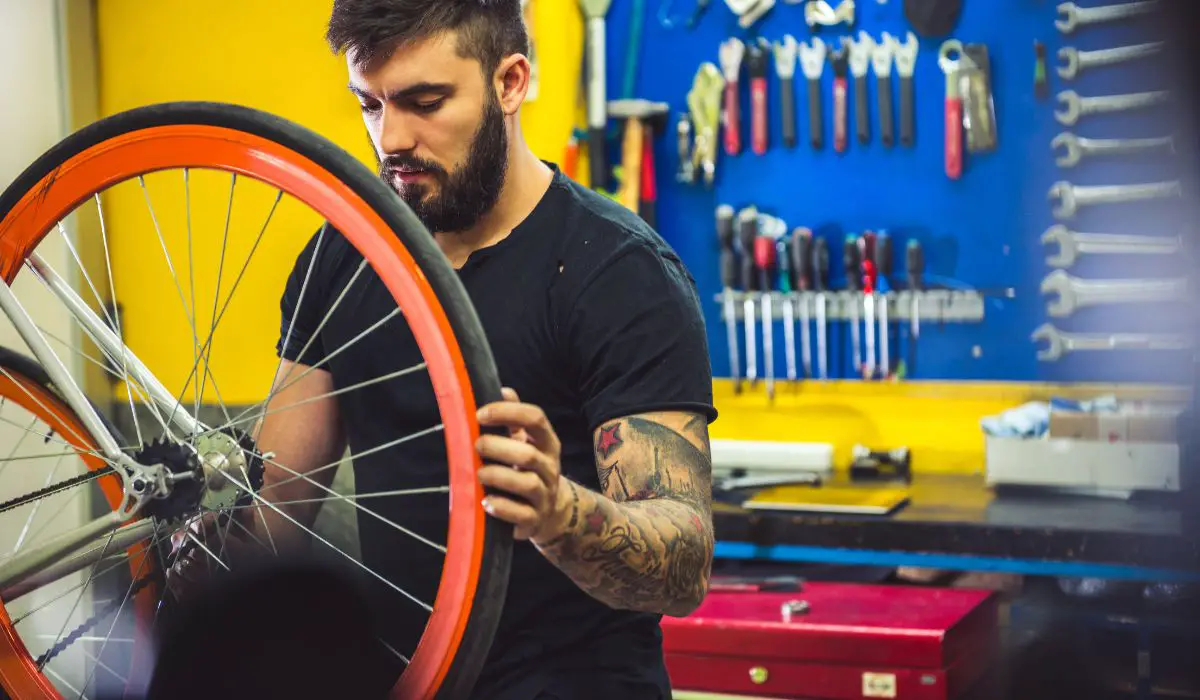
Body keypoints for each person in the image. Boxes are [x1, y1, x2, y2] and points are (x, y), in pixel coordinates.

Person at [212, 1, 718, 697]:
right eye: (370, 104)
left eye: (425, 102)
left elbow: (682, 567)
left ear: (510, 83)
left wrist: (558, 512)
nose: (390, 138)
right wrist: (181, 522)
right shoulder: (343, 257)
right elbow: (271, 517)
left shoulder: (618, 273)